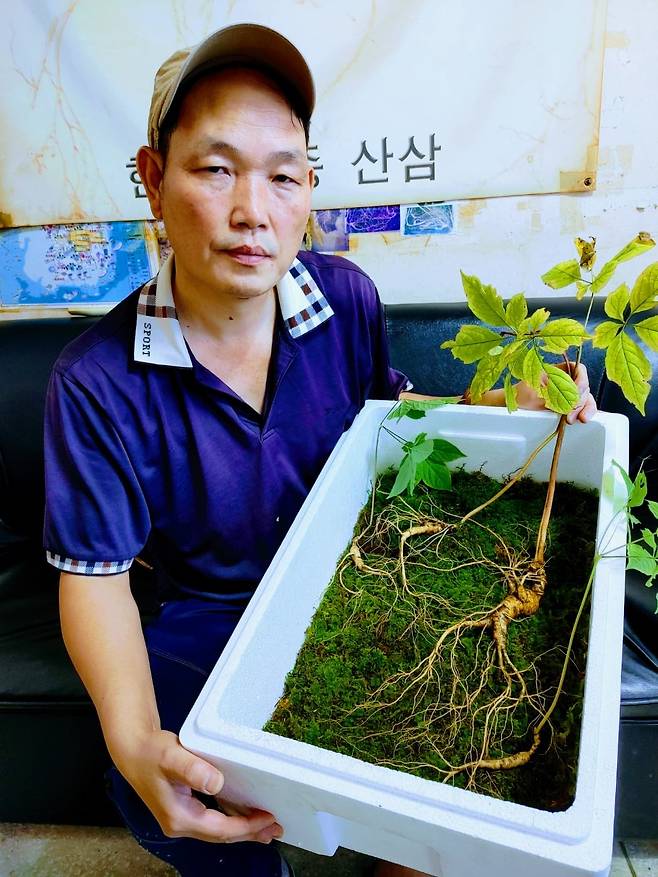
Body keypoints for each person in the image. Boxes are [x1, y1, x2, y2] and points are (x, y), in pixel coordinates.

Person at [43, 23, 595, 877]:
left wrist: (508, 407)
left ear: (308, 189)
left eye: (283, 175)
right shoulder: (97, 381)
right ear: (154, 180)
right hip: (210, 619)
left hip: (356, 570)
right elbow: (94, 576)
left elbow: (395, 423)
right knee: (198, 784)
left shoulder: (345, 298)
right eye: (216, 167)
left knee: (458, 757)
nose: (251, 211)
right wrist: (132, 738)